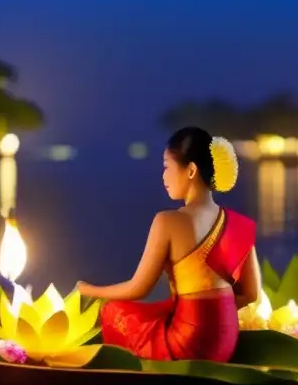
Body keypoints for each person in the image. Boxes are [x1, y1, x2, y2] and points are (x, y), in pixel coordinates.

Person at [76, 127, 261, 362]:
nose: (163, 176)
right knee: (161, 310)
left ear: (191, 170)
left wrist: (89, 290)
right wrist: (214, 315)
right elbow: (250, 294)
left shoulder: (168, 221)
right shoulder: (239, 224)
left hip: (188, 343)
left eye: (167, 167)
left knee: (112, 311)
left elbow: (138, 288)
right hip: (226, 341)